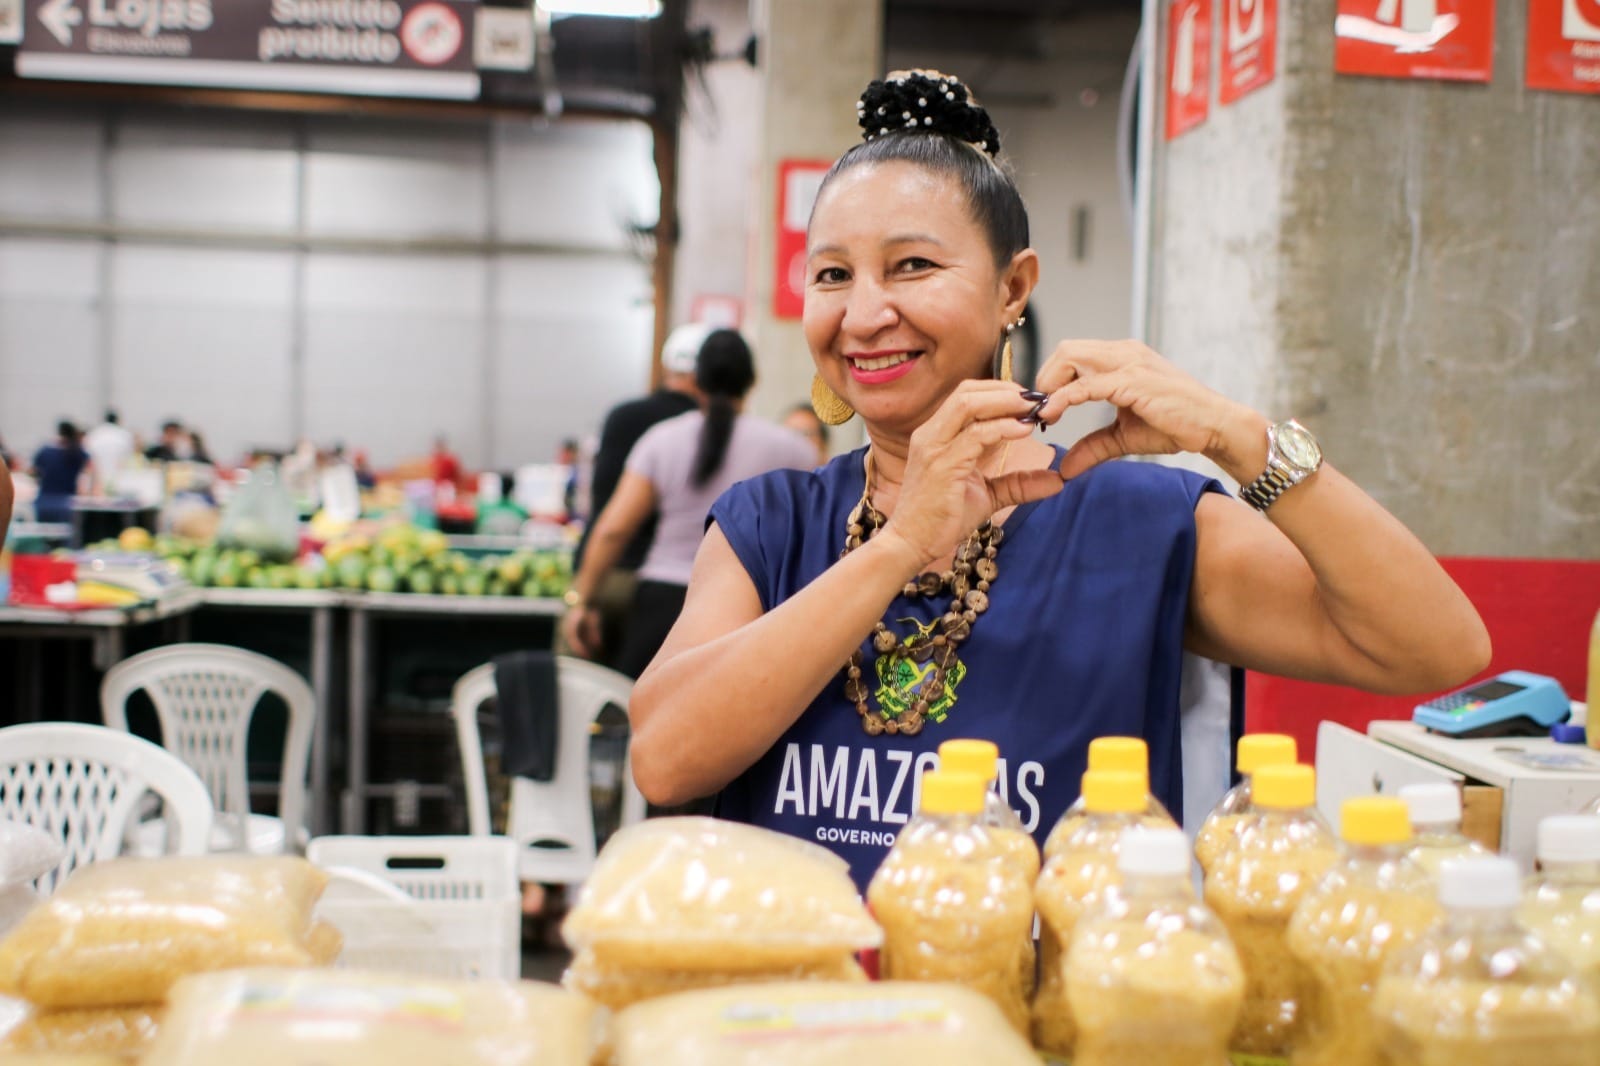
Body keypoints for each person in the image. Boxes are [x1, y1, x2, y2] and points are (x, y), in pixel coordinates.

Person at [624, 70, 1491, 889]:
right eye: (832, 274)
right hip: (798, 1023)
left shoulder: (1140, 524)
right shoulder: (769, 522)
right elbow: (664, 756)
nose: (864, 312)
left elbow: (1436, 648)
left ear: (1014, 288)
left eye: (912, 266)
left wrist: (1242, 440)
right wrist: (900, 546)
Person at [562, 328, 817, 681]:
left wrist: (582, 601)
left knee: (647, 725)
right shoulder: (793, 450)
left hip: (660, 610)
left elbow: (613, 529)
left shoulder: (661, 441)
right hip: (749, 611)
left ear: (697, 380)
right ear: (752, 381)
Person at [563, 324, 706, 666]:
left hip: (606, 574)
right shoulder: (703, 429)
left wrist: (581, 597)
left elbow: (609, 520)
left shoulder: (622, 416)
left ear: (667, 367)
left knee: (580, 688)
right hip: (665, 591)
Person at [31, 421, 91, 525]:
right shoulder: (78, 453)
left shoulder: (45, 451)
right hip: (67, 504)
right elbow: (90, 472)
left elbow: (33, 472)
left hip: (43, 502)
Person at [84, 409, 135, 495]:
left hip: (97, 477)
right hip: (118, 477)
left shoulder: (94, 434)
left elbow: (87, 457)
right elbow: (129, 457)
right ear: (118, 420)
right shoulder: (124, 435)